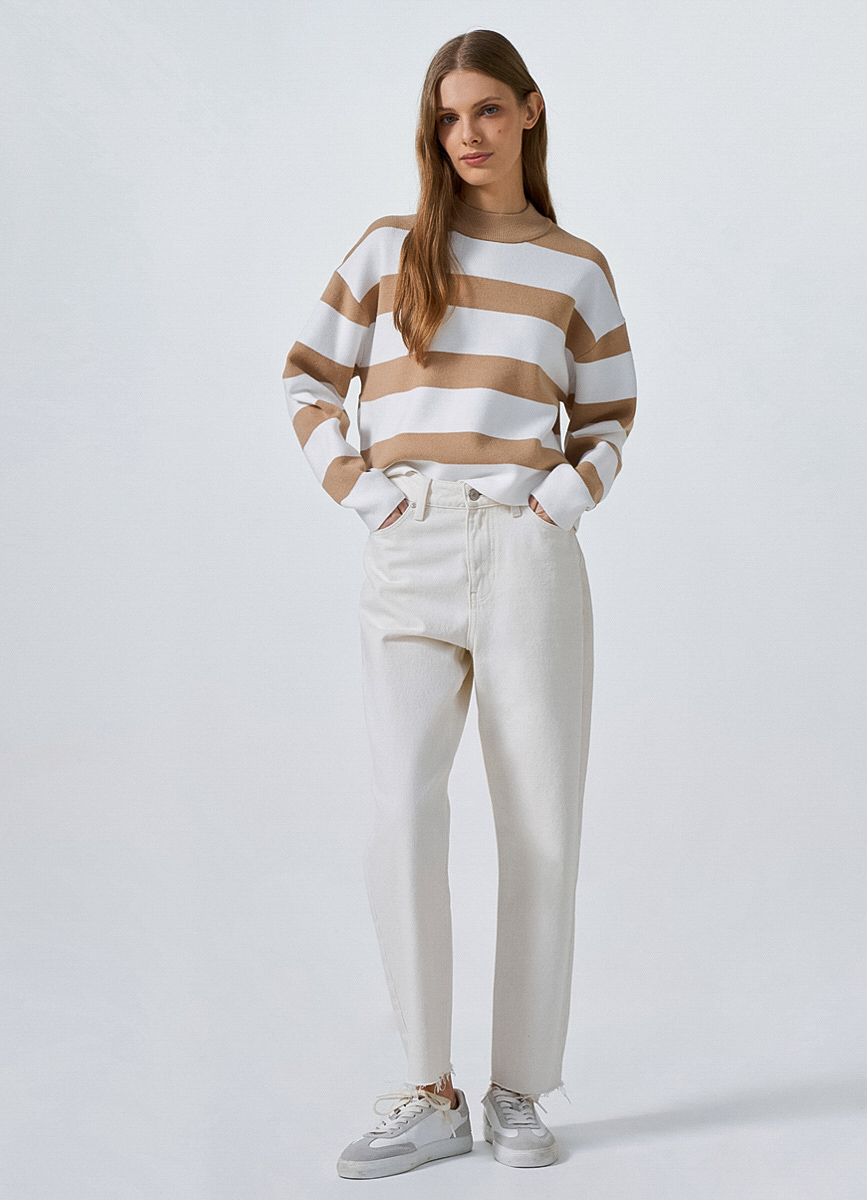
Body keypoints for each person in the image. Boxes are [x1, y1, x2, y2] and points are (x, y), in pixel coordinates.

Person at [281, 28, 637, 1179]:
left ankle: (519, 1087)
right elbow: (306, 376)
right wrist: (365, 493)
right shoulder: (393, 248)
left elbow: (610, 416)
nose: (466, 134)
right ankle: (427, 1090)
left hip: (527, 550)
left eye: (486, 109)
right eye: (447, 116)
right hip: (411, 542)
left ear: (530, 110)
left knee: (540, 823)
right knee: (402, 811)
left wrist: (558, 503)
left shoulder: (576, 267)